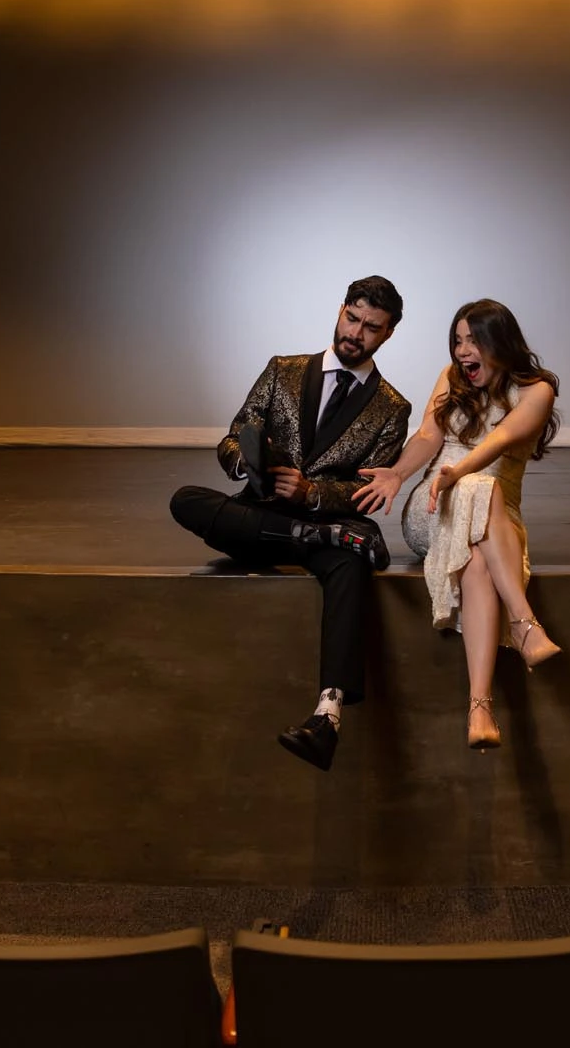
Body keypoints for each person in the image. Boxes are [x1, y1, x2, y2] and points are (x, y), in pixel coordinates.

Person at [169, 276, 412, 771]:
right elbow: (235, 437)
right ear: (341, 309)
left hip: (326, 529)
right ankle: (311, 536)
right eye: (352, 318)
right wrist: (247, 465)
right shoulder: (283, 370)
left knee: (349, 566)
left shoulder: (393, 408)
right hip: (260, 517)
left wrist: (314, 493)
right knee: (186, 499)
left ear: (388, 334)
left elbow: (369, 490)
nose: (356, 333)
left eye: (371, 327)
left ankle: (328, 716)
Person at [352, 299, 562, 752]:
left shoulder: (537, 389)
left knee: (478, 546)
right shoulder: (451, 379)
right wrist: (399, 473)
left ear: (500, 344)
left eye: (474, 340)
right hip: (431, 509)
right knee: (471, 491)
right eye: (458, 340)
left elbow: (502, 438)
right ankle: (525, 623)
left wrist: (462, 472)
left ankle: (480, 709)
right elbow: (429, 435)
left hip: (497, 516)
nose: (463, 351)